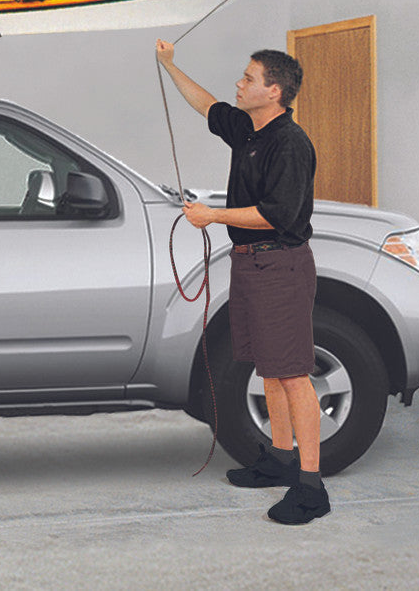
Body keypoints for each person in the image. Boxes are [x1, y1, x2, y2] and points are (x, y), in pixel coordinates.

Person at [155, 39, 329, 525]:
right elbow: (206, 104)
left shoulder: (290, 145)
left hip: (282, 266)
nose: (239, 83)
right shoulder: (248, 130)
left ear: (273, 91)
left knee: (293, 373)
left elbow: (278, 214)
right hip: (251, 264)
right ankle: (278, 459)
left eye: (249, 78)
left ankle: (311, 489)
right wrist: (170, 65)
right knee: (270, 369)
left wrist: (212, 215)